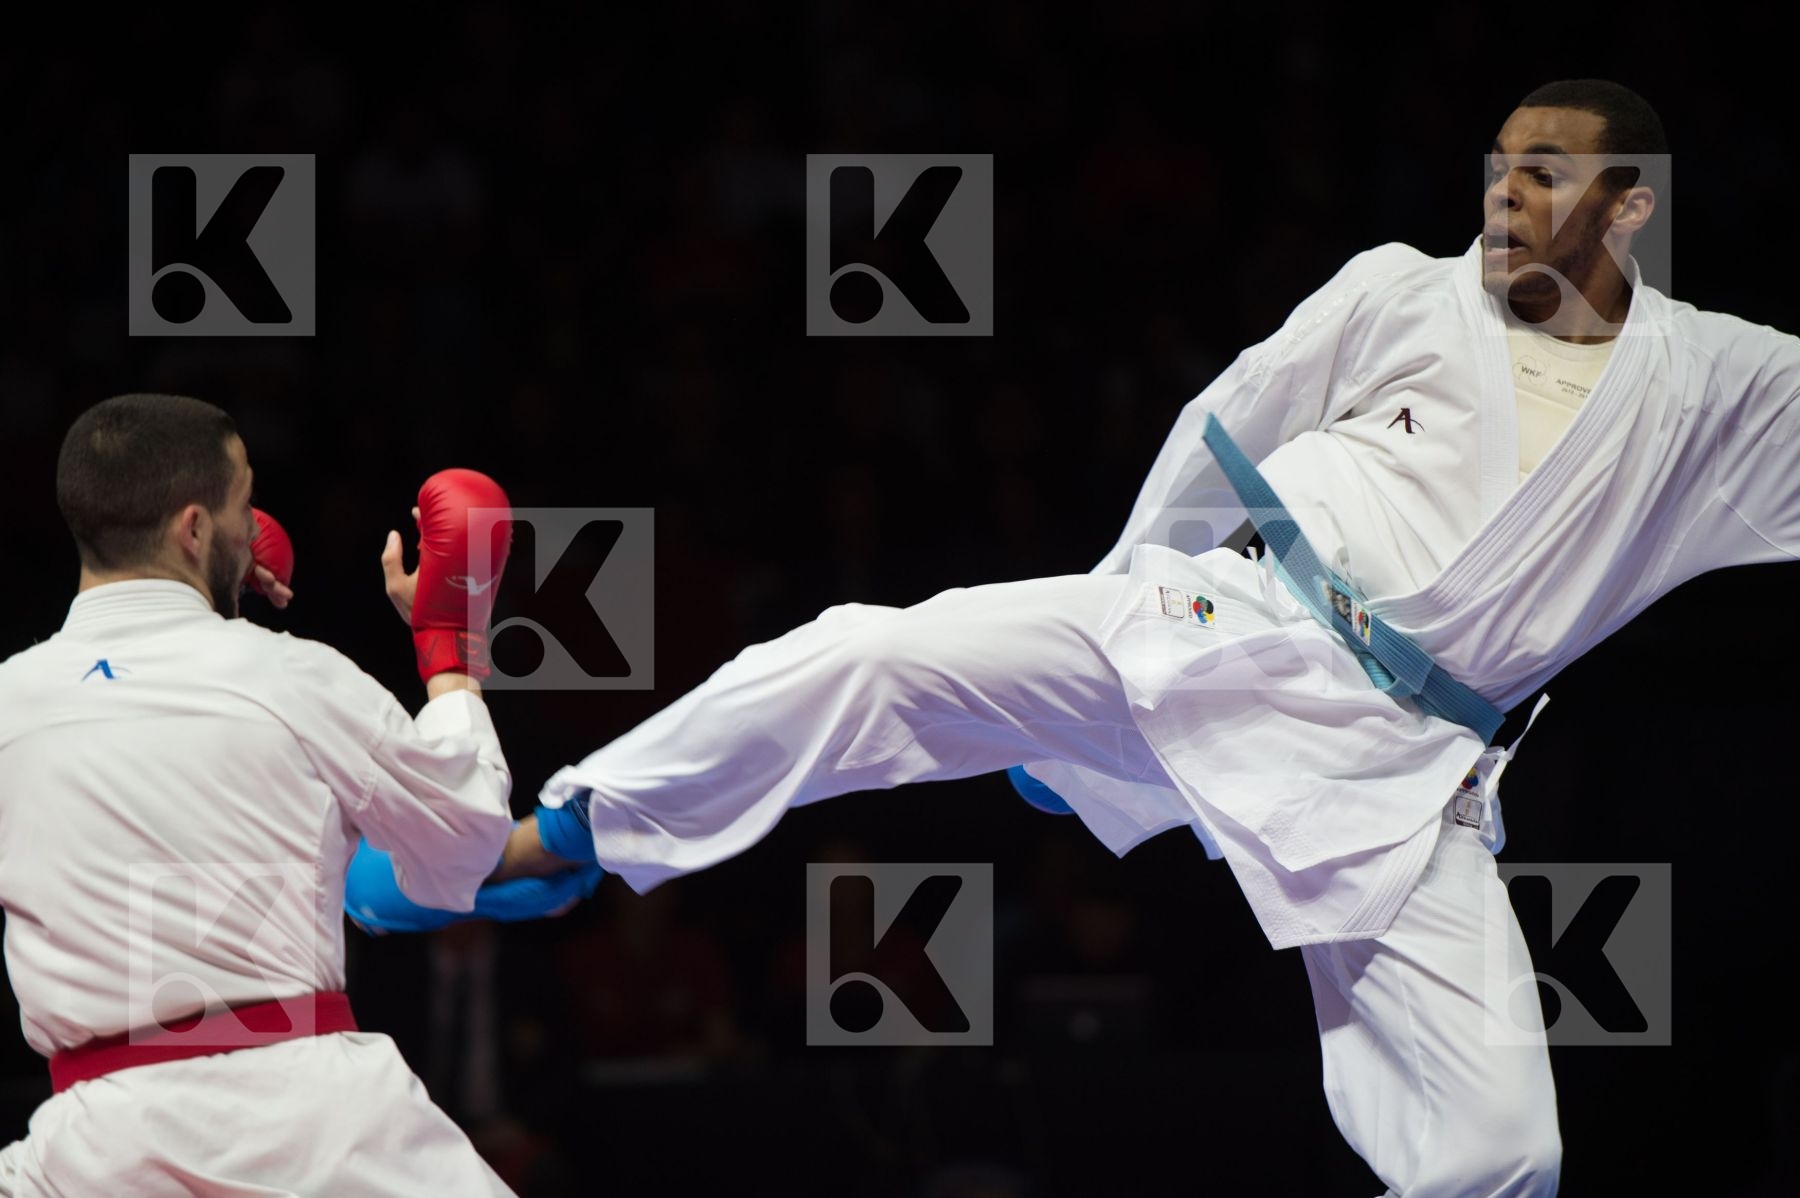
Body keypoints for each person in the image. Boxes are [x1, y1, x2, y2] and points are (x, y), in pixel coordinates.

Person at [516, 79, 1798, 1196]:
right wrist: (1109, 657)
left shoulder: (1716, 390)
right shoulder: (1404, 290)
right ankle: (573, 825)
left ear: (1632, 204)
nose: (1504, 194)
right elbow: (1220, 426)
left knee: (1502, 1151)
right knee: (873, 650)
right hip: (1227, 623)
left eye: (1546, 171)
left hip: (1407, 772)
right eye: (1497, 166)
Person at [0, 393, 575, 1195]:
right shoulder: (290, 675)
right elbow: (465, 846)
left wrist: (215, 599)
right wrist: (453, 651)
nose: (256, 526)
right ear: (195, 530)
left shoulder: (10, 701)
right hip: (311, 1129)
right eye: (244, 504)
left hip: (92, 1149)